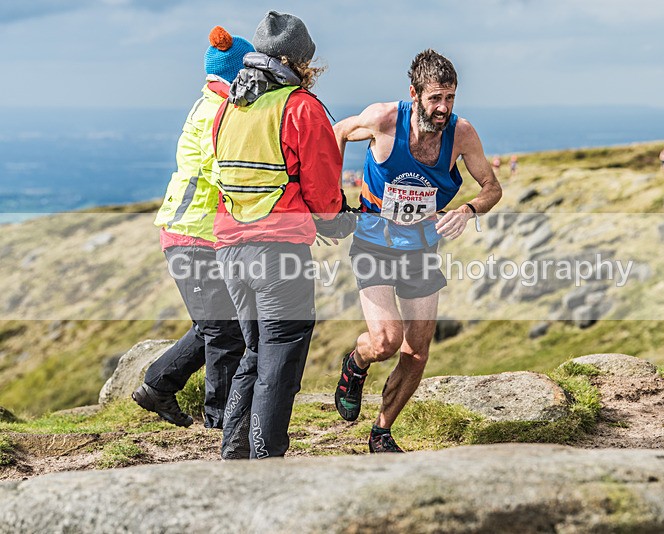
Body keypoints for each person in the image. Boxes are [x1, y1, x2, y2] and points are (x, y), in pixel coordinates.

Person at [333, 49, 502, 452]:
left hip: (421, 249)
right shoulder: (383, 119)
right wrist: (332, 196)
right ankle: (356, 364)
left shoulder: (462, 134)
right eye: (435, 98)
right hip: (373, 240)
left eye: (450, 98)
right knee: (386, 341)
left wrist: (468, 210)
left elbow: (492, 188)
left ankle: (381, 432)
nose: (443, 108)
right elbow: (337, 132)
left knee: (417, 351)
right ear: (414, 93)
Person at [212, 11, 343, 459]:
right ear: (297, 60)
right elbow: (324, 197)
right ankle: (266, 461)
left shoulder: (228, 109)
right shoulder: (300, 107)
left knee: (254, 350)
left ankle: (233, 452)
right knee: (281, 355)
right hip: (278, 253)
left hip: (229, 249)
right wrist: (335, 221)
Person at [132, 26, 251, 429]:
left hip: (198, 235)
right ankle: (219, 419)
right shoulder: (214, 113)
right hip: (192, 236)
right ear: (237, 74)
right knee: (223, 330)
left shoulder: (213, 105)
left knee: (216, 325)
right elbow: (219, 168)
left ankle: (158, 386)